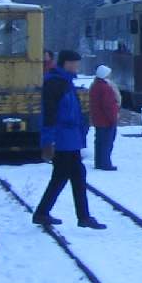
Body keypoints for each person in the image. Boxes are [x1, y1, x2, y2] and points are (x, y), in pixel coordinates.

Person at [32, 50, 106, 229]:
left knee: (72, 175)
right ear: (66, 63)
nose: (77, 66)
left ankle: (75, 216)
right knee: (66, 176)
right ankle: (79, 216)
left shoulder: (65, 82)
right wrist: (48, 141)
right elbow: (49, 114)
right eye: (75, 63)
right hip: (62, 139)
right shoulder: (56, 84)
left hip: (70, 139)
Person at [89, 64, 121, 171]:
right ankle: (105, 163)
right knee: (107, 142)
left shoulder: (95, 86)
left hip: (98, 119)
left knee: (99, 142)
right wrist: (113, 118)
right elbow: (109, 105)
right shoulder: (105, 88)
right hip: (106, 120)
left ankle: (99, 162)